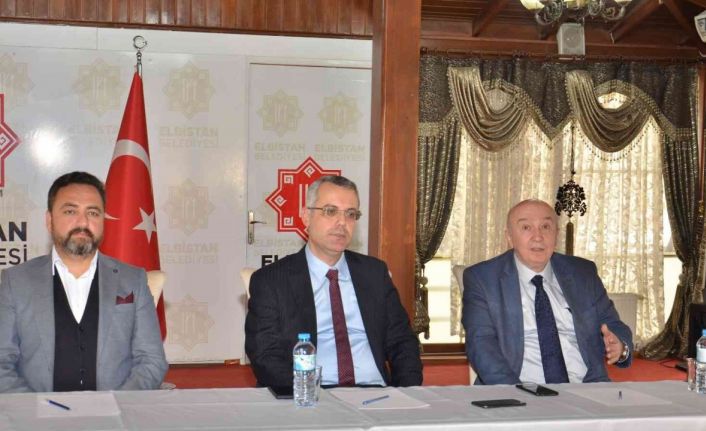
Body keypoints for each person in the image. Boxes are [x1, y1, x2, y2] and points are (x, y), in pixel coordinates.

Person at [245, 175, 422, 388]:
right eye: (330, 211)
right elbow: (265, 356)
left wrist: (406, 393)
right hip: (309, 393)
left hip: (376, 392)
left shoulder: (374, 273)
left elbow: (403, 342)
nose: (342, 223)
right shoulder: (272, 281)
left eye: (351, 214)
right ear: (306, 217)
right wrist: (309, 395)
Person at [0, 171, 168, 393]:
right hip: (38, 411)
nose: (83, 222)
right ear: (49, 221)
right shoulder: (15, 282)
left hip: (115, 411)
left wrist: (118, 405)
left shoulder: (133, 280)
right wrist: (38, 408)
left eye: (93, 212)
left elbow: (152, 361)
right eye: (70, 211)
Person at [462, 199, 633, 385]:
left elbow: (612, 324)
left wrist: (620, 346)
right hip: (518, 386)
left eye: (545, 227)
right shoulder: (483, 279)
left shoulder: (583, 272)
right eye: (526, 227)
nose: (538, 237)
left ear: (556, 235)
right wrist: (516, 393)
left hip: (587, 387)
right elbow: (481, 344)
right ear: (509, 237)